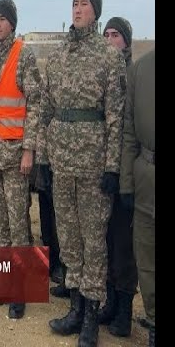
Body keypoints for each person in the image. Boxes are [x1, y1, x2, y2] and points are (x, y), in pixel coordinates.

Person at [39, 0, 126, 346]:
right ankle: (74, 307)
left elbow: (115, 118)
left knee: (94, 242)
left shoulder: (108, 56)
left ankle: (92, 313)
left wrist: (111, 167)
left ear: (96, 10)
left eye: (84, 3)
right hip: (62, 163)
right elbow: (45, 110)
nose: (77, 9)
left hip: (92, 166)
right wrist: (44, 158)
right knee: (70, 238)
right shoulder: (58, 57)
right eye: (74, 3)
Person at [0, 0, 41, 320]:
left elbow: (35, 104)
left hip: (17, 156)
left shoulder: (24, 55)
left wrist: (29, 148)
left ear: (13, 23)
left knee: (19, 227)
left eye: (3, 19)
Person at [98, 17, 138, 337]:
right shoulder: (104, 72)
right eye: (107, 34)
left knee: (125, 244)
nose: (111, 39)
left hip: (127, 173)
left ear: (127, 41)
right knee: (108, 239)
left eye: (116, 35)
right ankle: (110, 300)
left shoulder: (133, 75)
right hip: (104, 169)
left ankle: (125, 308)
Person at [120, 48, 154, 347]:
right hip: (145, 178)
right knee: (146, 258)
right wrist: (128, 184)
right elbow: (129, 132)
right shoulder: (141, 70)